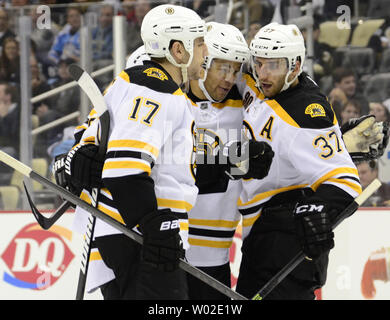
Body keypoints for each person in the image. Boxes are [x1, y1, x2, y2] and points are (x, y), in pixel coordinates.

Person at [62, 4, 208, 300]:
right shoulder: (157, 88)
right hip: (139, 238)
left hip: (122, 232)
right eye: (200, 42)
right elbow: (124, 169)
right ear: (178, 50)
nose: (206, 51)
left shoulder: (129, 82)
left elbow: (92, 150)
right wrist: (154, 225)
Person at [235, 22, 363, 300]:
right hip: (257, 231)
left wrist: (317, 208)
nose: (263, 74)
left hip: (283, 235)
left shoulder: (306, 112)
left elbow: (346, 183)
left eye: (274, 65)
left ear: (295, 67)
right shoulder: (255, 80)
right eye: (259, 63)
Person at [184, 22, 273, 300]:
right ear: (202, 62)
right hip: (166, 247)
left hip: (216, 257)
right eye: (222, 68)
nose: (229, 77)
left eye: (235, 69)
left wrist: (340, 140)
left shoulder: (245, 100)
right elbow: (174, 166)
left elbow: (287, 136)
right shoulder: (171, 100)